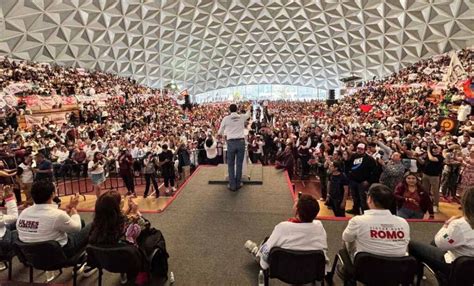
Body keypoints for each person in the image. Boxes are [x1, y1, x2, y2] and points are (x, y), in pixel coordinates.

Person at [16, 181, 96, 277]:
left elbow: (51, 223)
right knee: (94, 225)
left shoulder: (23, 213)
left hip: (34, 257)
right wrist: (74, 208)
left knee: (79, 221)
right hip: (60, 255)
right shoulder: (56, 215)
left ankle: (80, 260)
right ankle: (90, 263)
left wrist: (67, 210)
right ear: (52, 194)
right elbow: (77, 228)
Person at [89, 191, 168, 284]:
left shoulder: (96, 226)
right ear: (116, 208)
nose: (123, 201)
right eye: (120, 201)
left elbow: (118, 219)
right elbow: (146, 225)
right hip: (131, 259)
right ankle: (148, 271)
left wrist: (128, 209)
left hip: (108, 261)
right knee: (155, 233)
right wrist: (136, 212)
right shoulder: (128, 223)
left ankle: (124, 272)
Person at [339, 184, 410, 282]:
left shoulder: (358, 221)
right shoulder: (403, 222)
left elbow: (346, 239)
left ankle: (346, 270)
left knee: (348, 238)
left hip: (365, 272)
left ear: (370, 199)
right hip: (397, 272)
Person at [244, 194, 328, 271]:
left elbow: (266, 253)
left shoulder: (283, 228)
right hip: (311, 270)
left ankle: (256, 251)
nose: (295, 201)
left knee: (266, 243)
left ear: (297, 211)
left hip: (285, 271)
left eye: (296, 202)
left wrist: (261, 256)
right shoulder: (319, 226)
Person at [409, 187, 474, 280]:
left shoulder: (460, 225)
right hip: (468, 266)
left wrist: (447, 225)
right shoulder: (461, 224)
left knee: (412, 245)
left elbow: (440, 243)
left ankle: (416, 275)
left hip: (456, 267)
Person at [218, 104, 251, 192]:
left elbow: (219, 131)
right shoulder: (241, 117)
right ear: (237, 109)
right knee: (239, 164)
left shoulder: (226, 119)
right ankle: (238, 183)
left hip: (231, 143)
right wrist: (248, 108)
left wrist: (226, 133)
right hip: (240, 142)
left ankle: (232, 185)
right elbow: (248, 115)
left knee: (231, 164)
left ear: (229, 110)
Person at [347, 143, 377, 215]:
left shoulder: (370, 159)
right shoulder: (353, 156)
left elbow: (375, 172)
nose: (359, 150)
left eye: (361, 149)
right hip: (353, 181)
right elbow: (348, 166)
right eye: (358, 148)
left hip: (363, 182)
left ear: (365, 150)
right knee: (354, 197)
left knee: (363, 199)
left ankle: (365, 213)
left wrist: (368, 181)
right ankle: (355, 210)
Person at [420, 144, 444, 213]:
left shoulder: (440, 157)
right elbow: (423, 163)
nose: (435, 149)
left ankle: (435, 205)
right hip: (425, 174)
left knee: (435, 191)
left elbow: (432, 159)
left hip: (434, 176)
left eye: (436, 148)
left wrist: (428, 151)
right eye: (433, 148)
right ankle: (425, 203)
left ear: (439, 150)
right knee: (425, 190)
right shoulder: (428, 155)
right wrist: (417, 158)